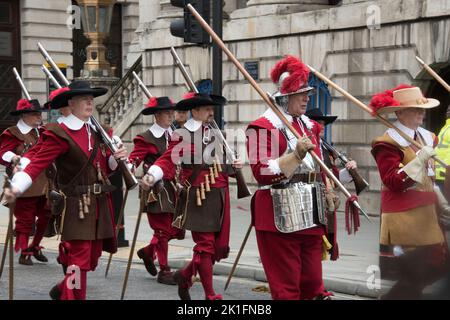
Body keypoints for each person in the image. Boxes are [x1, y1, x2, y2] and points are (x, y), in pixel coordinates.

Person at [4, 80, 128, 300]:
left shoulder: (96, 131)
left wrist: (116, 159)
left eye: (91, 99)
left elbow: (103, 167)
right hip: (76, 205)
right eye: (83, 99)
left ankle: (63, 288)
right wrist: (17, 186)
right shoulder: (59, 132)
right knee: (78, 265)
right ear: (71, 103)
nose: (90, 102)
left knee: (90, 261)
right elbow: (37, 162)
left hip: (100, 204)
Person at [246, 55, 338, 300]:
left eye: (307, 92)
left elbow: (319, 165)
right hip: (279, 212)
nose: (307, 97)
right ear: (285, 97)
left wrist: (328, 188)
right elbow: (261, 171)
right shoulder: (259, 127)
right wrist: (294, 155)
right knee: (287, 290)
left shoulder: (308, 126)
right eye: (301, 93)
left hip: (311, 211)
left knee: (313, 286)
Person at [141, 92, 243, 300]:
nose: (211, 113)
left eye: (211, 109)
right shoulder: (182, 134)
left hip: (220, 196)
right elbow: (167, 160)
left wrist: (235, 165)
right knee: (205, 247)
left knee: (216, 249)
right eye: (207, 109)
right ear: (195, 111)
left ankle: (185, 276)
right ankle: (210, 295)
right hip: (198, 196)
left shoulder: (216, 132)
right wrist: (152, 174)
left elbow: (223, 165)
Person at [370, 84, 450, 299]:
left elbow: (430, 179)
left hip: (428, 217)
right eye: (416, 109)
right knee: (414, 276)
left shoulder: (427, 137)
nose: (422, 113)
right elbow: (394, 181)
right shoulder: (386, 143)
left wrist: (442, 202)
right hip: (403, 218)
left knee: (435, 269)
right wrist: (419, 160)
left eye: (422, 109)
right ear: (400, 113)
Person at [128, 96, 184, 285]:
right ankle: (165, 270)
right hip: (156, 189)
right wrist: (127, 167)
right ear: (157, 115)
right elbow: (133, 160)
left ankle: (148, 252)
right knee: (162, 231)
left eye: (172, 112)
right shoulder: (146, 138)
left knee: (173, 230)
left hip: (174, 188)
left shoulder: (176, 135)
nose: (171, 116)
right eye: (167, 113)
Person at [0, 98, 50, 265]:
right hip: (23, 181)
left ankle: (34, 246)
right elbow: (2, 153)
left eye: (39, 113)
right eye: (35, 114)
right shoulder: (13, 132)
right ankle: (23, 252)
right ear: (24, 115)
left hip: (45, 181)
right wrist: (14, 157)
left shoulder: (42, 132)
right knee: (25, 219)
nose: (39, 116)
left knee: (46, 216)